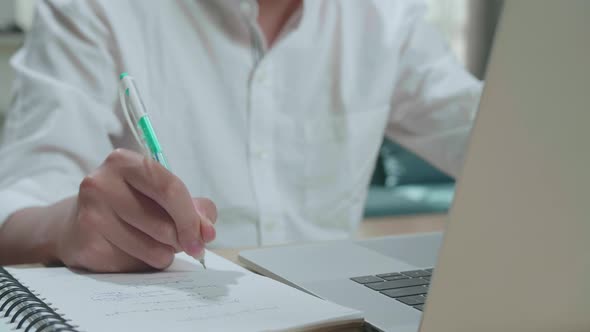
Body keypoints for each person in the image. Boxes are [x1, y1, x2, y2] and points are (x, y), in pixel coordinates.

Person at [0, 0, 481, 272]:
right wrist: (67, 225)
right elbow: (18, 207)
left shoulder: (387, 17)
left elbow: (496, 138)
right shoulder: (92, 9)